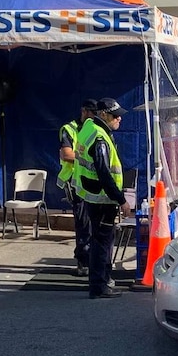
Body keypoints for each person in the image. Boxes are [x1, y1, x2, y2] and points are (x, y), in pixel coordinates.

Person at [73, 97, 132, 299]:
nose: (119, 120)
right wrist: (121, 199)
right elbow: (104, 173)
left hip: (91, 195)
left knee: (100, 239)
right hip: (102, 198)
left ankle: (101, 283)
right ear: (104, 115)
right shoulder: (99, 138)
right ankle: (100, 286)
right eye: (116, 116)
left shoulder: (89, 126)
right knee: (103, 242)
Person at [58, 99, 97, 276]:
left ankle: (90, 258)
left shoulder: (95, 129)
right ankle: (83, 261)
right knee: (83, 223)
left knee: (93, 223)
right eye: (93, 113)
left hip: (92, 182)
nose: (95, 117)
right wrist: (92, 158)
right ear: (84, 112)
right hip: (75, 182)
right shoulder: (70, 129)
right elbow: (67, 154)